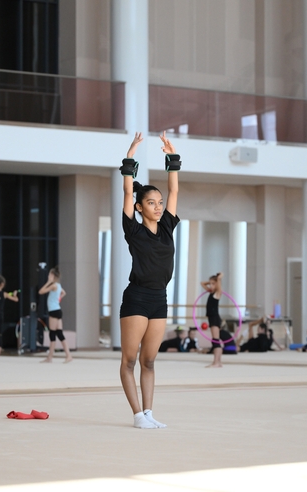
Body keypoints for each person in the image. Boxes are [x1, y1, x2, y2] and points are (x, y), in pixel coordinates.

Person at [118, 131, 181, 429]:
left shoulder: (167, 226)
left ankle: (149, 413)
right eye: (151, 203)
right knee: (129, 361)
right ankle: (136, 415)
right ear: (139, 207)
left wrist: (172, 158)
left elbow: (174, 190)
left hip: (159, 299)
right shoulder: (133, 229)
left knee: (149, 361)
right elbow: (126, 192)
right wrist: (130, 157)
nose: (158, 206)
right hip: (137, 298)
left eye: (159, 202)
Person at [38, 267, 72, 363]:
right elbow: (63, 293)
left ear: (53, 276)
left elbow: (41, 291)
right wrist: (58, 299)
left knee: (52, 334)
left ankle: (50, 357)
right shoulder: (58, 285)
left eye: (49, 274)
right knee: (59, 334)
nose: (48, 276)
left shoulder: (53, 285)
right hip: (57, 310)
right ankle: (68, 355)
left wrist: (48, 282)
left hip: (54, 311)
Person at [201, 273, 224, 368]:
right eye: (210, 284)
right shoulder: (211, 292)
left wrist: (218, 279)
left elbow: (218, 287)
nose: (210, 285)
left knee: (215, 340)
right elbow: (202, 283)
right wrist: (211, 282)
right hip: (211, 318)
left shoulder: (217, 293)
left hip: (215, 318)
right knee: (215, 340)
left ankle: (216, 362)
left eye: (213, 284)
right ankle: (218, 362)